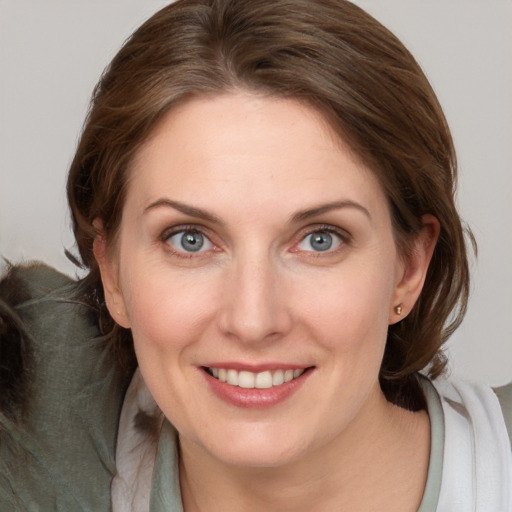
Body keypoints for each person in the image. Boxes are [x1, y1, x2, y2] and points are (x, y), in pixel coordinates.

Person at [0, 0, 510, 510]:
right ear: (111, 272)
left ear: (409, 267)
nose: (252, 320)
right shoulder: (34, 431)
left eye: (320, 239)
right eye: (189, 239)